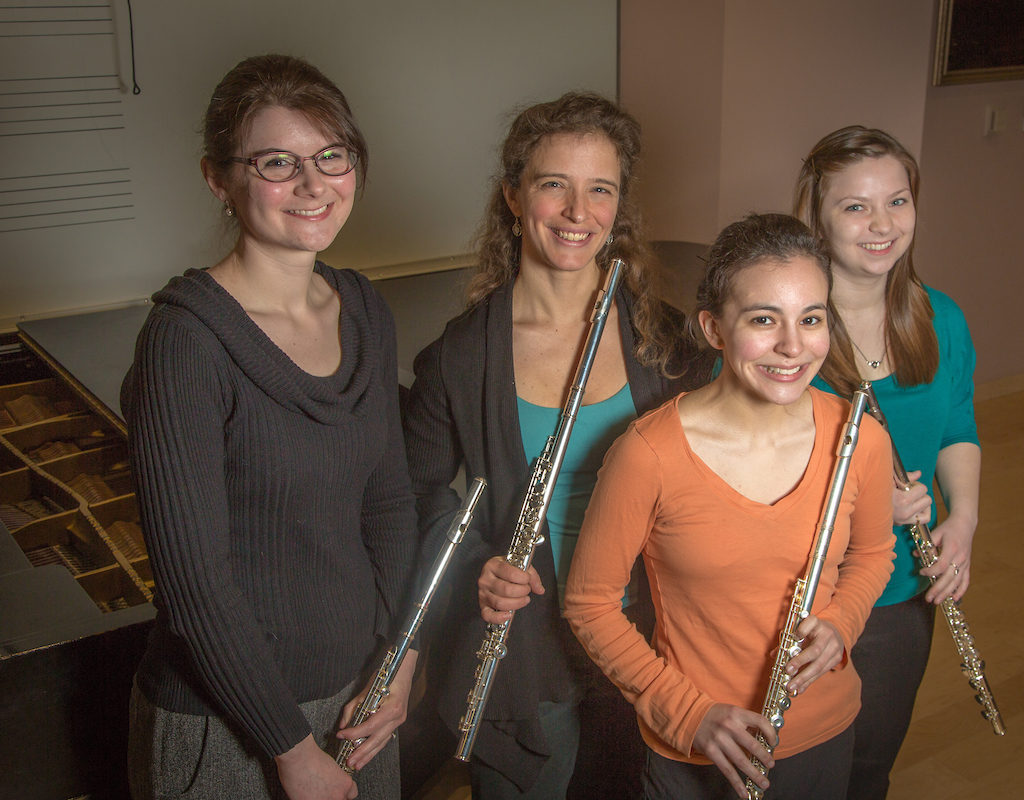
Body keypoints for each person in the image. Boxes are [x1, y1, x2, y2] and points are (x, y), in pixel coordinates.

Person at [123, 54, 418, 800]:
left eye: (331, 156)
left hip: (361, 702)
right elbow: (194, 585)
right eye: (278, 162)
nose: (314, 184)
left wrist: (400, 661)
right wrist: (290, 749)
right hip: (234, 726)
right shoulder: (184, 341)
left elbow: (388, 504)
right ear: (218, 177)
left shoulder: (363, 309)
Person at [402, 91, 708, 799]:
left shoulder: (664, 343)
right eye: (553, 186)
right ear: (513, 197)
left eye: (600, 189)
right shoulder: (460, 358)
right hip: (528, 647)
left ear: (619, 205)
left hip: (650, 636)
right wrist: (477, 561)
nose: (578, 213)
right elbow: (412, 494)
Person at [564, 213, 896, 800]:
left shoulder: (860, 436)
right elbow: (590, 605)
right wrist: (689, 714)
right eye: (764, 320)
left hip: (824, 731)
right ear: (714, 329)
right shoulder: (646, 455)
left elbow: (873, 553)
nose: (793, 346)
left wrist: (841, 624)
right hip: (697, 748)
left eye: (811, 319)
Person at [794, 126, 982, 799]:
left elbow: (958, 424)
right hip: (808, 596)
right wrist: (866, 502)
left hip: (902, 596)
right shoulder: (789, 333)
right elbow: (753, 475)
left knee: (869, 771)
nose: (882, 225)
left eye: (897, 202)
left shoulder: (943, 319)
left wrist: (963, 519)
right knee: (800, 774)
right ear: (816, 216)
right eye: (855, 207)